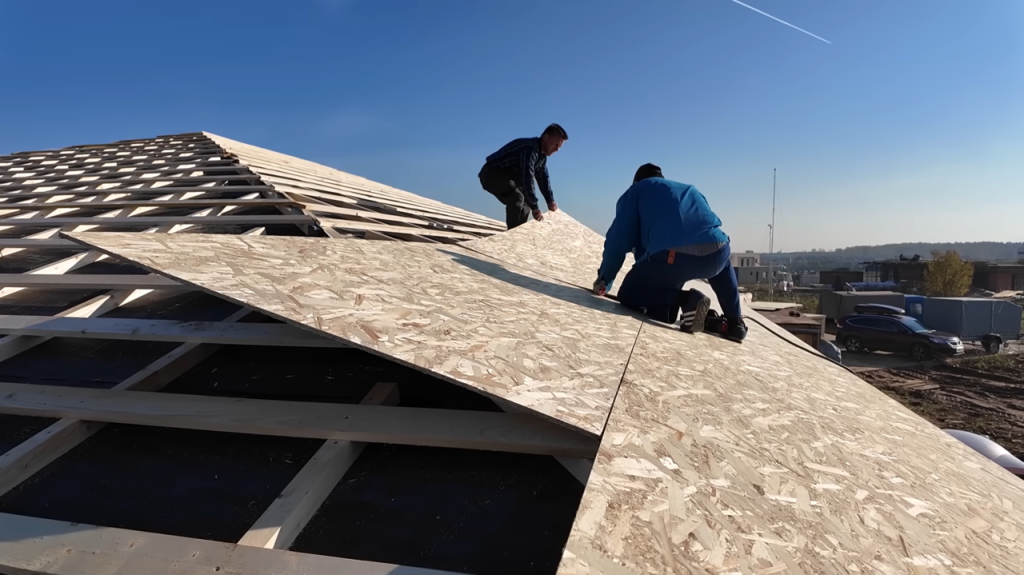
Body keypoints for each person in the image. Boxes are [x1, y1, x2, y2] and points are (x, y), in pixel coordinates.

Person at [592, 163, 747, 342]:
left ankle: (687, 300)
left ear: (636, 181)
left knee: (629, 293)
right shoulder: (689, 190)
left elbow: (618, 240)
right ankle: (735, 325)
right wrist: (735, 315)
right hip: (719, 249)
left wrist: (605, 280)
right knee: (722, 263)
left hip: (673, 255)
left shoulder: (636, 191)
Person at [478, 123, 567, 230]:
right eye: (556, 145)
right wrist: (535, 207)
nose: (557, 149)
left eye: (559, 147)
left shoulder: (541, 157)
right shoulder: (530, 149)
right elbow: (527, 177)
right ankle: (513, 233)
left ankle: (518, 230)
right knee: (517, 197)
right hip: (491, 174)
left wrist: (550, 200)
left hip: (509, 178)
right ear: (546, 137)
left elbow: (543, 178)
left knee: (527, 202)